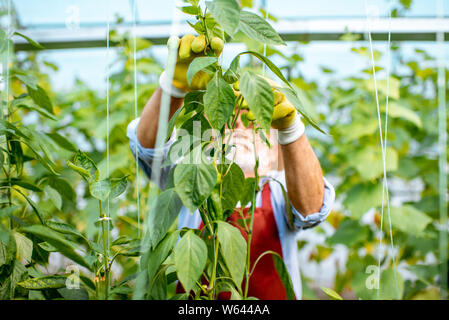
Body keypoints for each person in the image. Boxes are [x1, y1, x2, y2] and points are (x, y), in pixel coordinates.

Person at [127, 34, 335, 300]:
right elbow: (149, 148)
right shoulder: (193, 179)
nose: (239, 127)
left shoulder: (280, 189)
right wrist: (174, 86)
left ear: (274, 146)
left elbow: (311, 208)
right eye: (226, 118)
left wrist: (291, 129)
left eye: (253, 120)